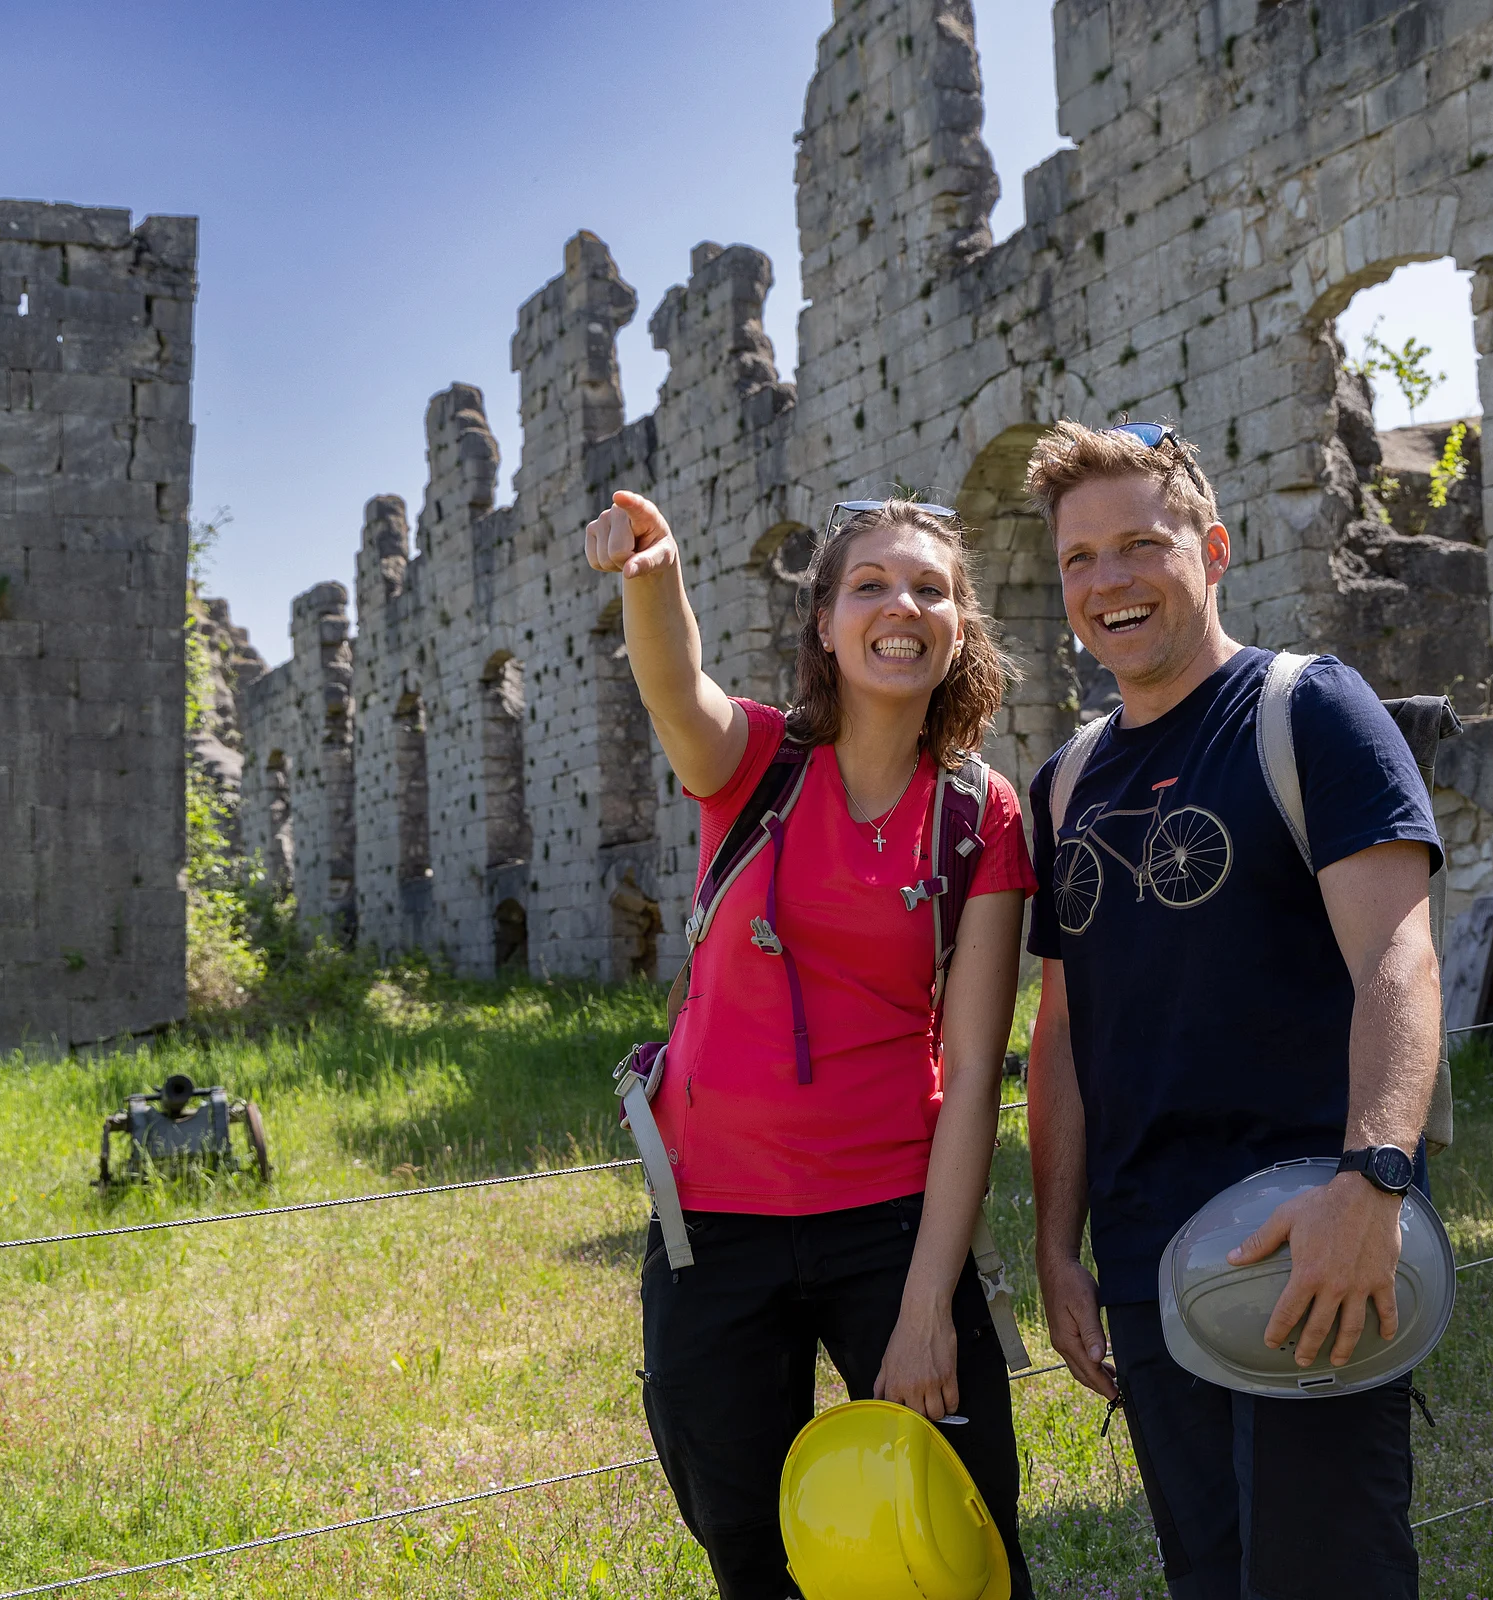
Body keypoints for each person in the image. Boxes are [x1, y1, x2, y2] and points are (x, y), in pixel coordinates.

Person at [584, 489, 1038, 1600]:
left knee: (964, 1547)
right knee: (756, 1557)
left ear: (960, 628)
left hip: (890, 1227)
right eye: (871, 584)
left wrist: (931, 1305)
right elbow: (671, 685)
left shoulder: (981, 814)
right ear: (826, 623)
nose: (903, 605)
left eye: (932, 588)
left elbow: (977, 1067)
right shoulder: (753, 761)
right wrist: (656, 573)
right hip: (713, 1230)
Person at [1020, 421, 1444, 1600]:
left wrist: (1373, 1182)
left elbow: (1399, 962)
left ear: (1209, 549)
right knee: (1208, 1577)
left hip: (1311, 1227)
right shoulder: (1064, 784)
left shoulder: (1310, 710)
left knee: (1329, 1576)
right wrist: (1059, 1245)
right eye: (1079, 558)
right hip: (1149, 1257)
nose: (1109, 581)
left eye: (1140, 544)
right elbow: (1060, 1037)